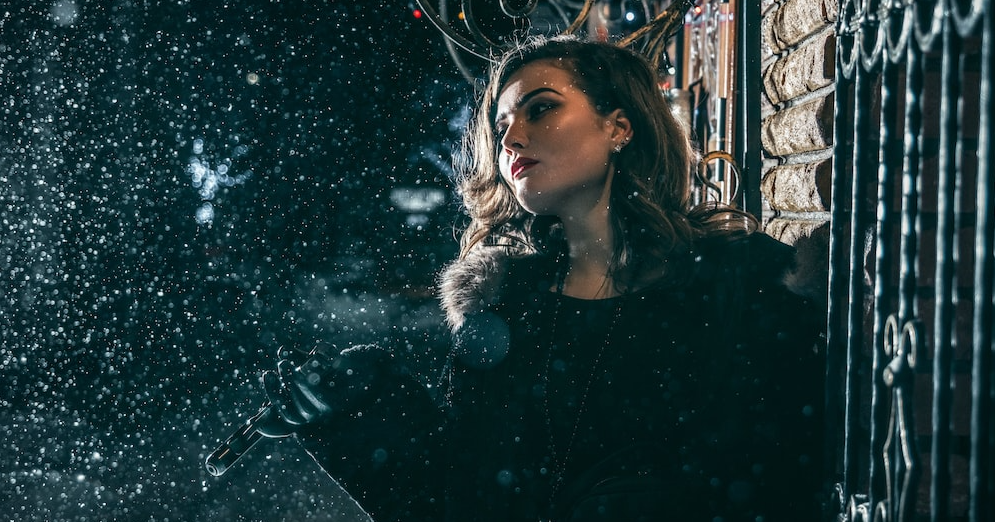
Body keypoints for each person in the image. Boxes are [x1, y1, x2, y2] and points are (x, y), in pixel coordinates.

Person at [255, 35, 828, 521]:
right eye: (501, 125)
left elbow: (784, 467)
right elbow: (457, 498)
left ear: (618, 127)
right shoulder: (505, 314)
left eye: (541, 108)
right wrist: (357, 406)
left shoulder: (735, 281)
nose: (511, 138)